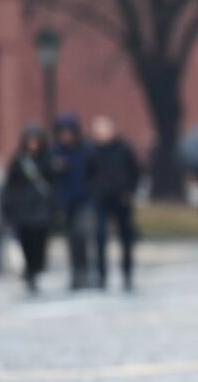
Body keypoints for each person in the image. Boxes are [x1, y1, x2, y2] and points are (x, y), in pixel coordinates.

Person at [86, 116, 141, 291]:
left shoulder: (124, 148)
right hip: (101, 200)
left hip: (122, 199)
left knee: (125, 238)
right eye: (97, 130)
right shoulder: (91, 150)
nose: (100, 133)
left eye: (103, 129)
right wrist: (93, 192)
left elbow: (137, 171)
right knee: (100, 237)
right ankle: (101, 276)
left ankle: (127, 274)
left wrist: (130, 191)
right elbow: (87, 174)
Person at [3, 125, 55, 294]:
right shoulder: (19, 160)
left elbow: (53, 182)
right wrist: (9, 205)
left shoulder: (47, 159)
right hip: (23, 207)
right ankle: (29, 271)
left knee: (39, 240)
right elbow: (10, 184)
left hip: (41, 207)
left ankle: (36, 268)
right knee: (25, 240)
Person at [51, 114, 94, 289]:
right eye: (62, 133)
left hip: (84, 199)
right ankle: (75, 272)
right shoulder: (56, 152)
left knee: (81, 234)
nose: (65, 136)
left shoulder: (86, 150)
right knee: (70, 238)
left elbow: (94, 173)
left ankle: (84, 271)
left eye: (68, 132)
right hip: (65, 201)